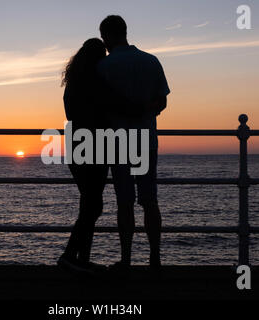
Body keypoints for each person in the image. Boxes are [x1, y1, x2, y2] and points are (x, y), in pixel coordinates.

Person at [58, 38, 143, 274]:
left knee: (89, 203)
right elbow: (114, 105)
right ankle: (69, 257)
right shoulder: (96, 81)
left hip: (76, 144)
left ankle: (80, 260)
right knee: (92, 206)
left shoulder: (73, 83)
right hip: (95, 145)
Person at [97, 15, 171, 270]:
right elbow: (162, 102)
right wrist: (143, 110)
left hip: (117, 142)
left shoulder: (104, 66)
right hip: (146, 140)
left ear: (105, 36)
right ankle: (155, 259)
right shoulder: (151, 61)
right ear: (126, 32)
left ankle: (126, 260)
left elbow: (100, 106)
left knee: (124, 202)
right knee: (149, 199)